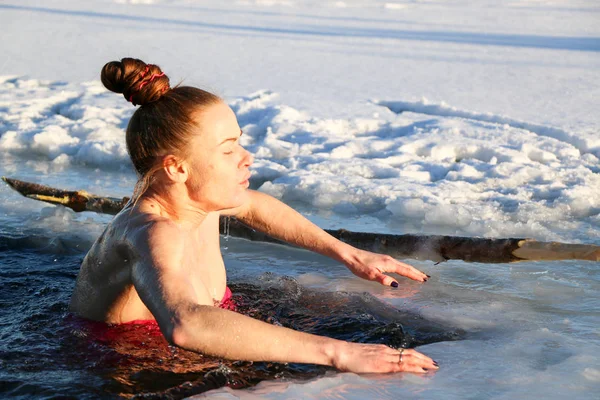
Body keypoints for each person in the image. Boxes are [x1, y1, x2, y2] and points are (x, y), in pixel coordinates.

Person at [69, 58, 439, 374]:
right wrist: (339, 352)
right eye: (228, 150)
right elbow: (186, 324)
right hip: (132, 365)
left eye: (239, 141)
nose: (247, 157)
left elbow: (253, 205)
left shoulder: (199, 200)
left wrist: (347, 253)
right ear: (177, 169)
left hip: (201, 346)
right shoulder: (152, 232)